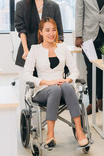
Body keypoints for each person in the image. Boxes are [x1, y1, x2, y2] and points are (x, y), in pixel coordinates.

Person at [23, 17, 88, 147]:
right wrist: (47, 82)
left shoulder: (63, 47)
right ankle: (50, 134)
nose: (51, 33)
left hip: (62, 87)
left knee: (67, 87)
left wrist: (68, 79)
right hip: (42, 90)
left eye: (54, 30)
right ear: (41, 32)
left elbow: (75, 71)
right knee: (55, 89)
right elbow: (26, 75)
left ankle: (79, 131)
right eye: (47, 30)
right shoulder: (35, 49)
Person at [15, 0, 63, 107]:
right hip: (27, 52)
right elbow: (21, 30)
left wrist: (56, 54)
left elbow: (58, 33)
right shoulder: (22, 6)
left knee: (45, 89)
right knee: (26, 90)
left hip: (47, 55)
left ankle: (42, 122)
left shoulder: (53, 6)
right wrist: (26, 50)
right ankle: (26, 120)